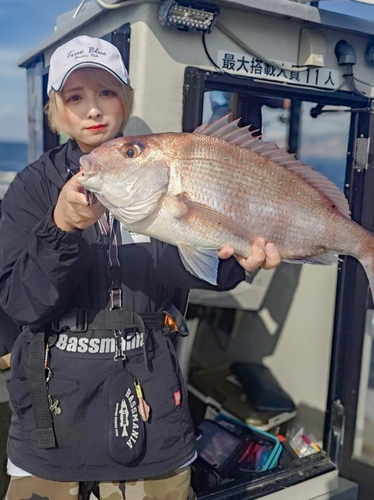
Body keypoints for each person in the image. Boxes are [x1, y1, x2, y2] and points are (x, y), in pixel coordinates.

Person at [0, 35, 281, 500]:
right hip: (53, 423)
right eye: (75, 97)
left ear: (124, 100)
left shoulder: (162, 170)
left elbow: (187, 270)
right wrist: (62, 227)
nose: (93, 110)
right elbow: (22, 303)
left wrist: (240, 263)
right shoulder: (33, 186)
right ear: (57, 111)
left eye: (107, 92)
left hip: (151, 410)